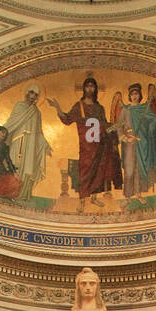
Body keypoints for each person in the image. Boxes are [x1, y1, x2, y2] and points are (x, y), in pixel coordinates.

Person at [49, 75, 121, 211]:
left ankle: (94, 198)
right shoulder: (79, 106)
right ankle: (82, 200)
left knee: (98, 171)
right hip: (86, 146)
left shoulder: (99, 108)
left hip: (99, 144)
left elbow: (104, 124)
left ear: (95, 89)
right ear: (84, 89)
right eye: (88, 86)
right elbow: (67, 119)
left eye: (92, 86)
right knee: (85, 171)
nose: (90, 89)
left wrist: (113, 127)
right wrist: (57, 108)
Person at [109, 83, 156, 199]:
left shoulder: (145, 108)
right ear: (129, 96)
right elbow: (119, 126)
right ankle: (128, 195)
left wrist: (151, 128)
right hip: (129, 144)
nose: (134, 96)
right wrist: (124, 137)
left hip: (142, 142)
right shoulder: (126, 109)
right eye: (132, 94)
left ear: (140, 95)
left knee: (139, 168)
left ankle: (138, 193)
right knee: (129, 169)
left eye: (136, 94)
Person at [1, 84, 51, 201]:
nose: (32, 97)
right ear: (27, 94)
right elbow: (11, 122)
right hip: (18, 141)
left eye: (35, 95)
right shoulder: (19, 106)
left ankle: (22, 194)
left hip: (31, 145)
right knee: (14, 163)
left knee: (28, 167)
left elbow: (39, 132)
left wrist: (45, 145)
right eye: (31, 93)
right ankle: (9, 192)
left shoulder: (37, 112)